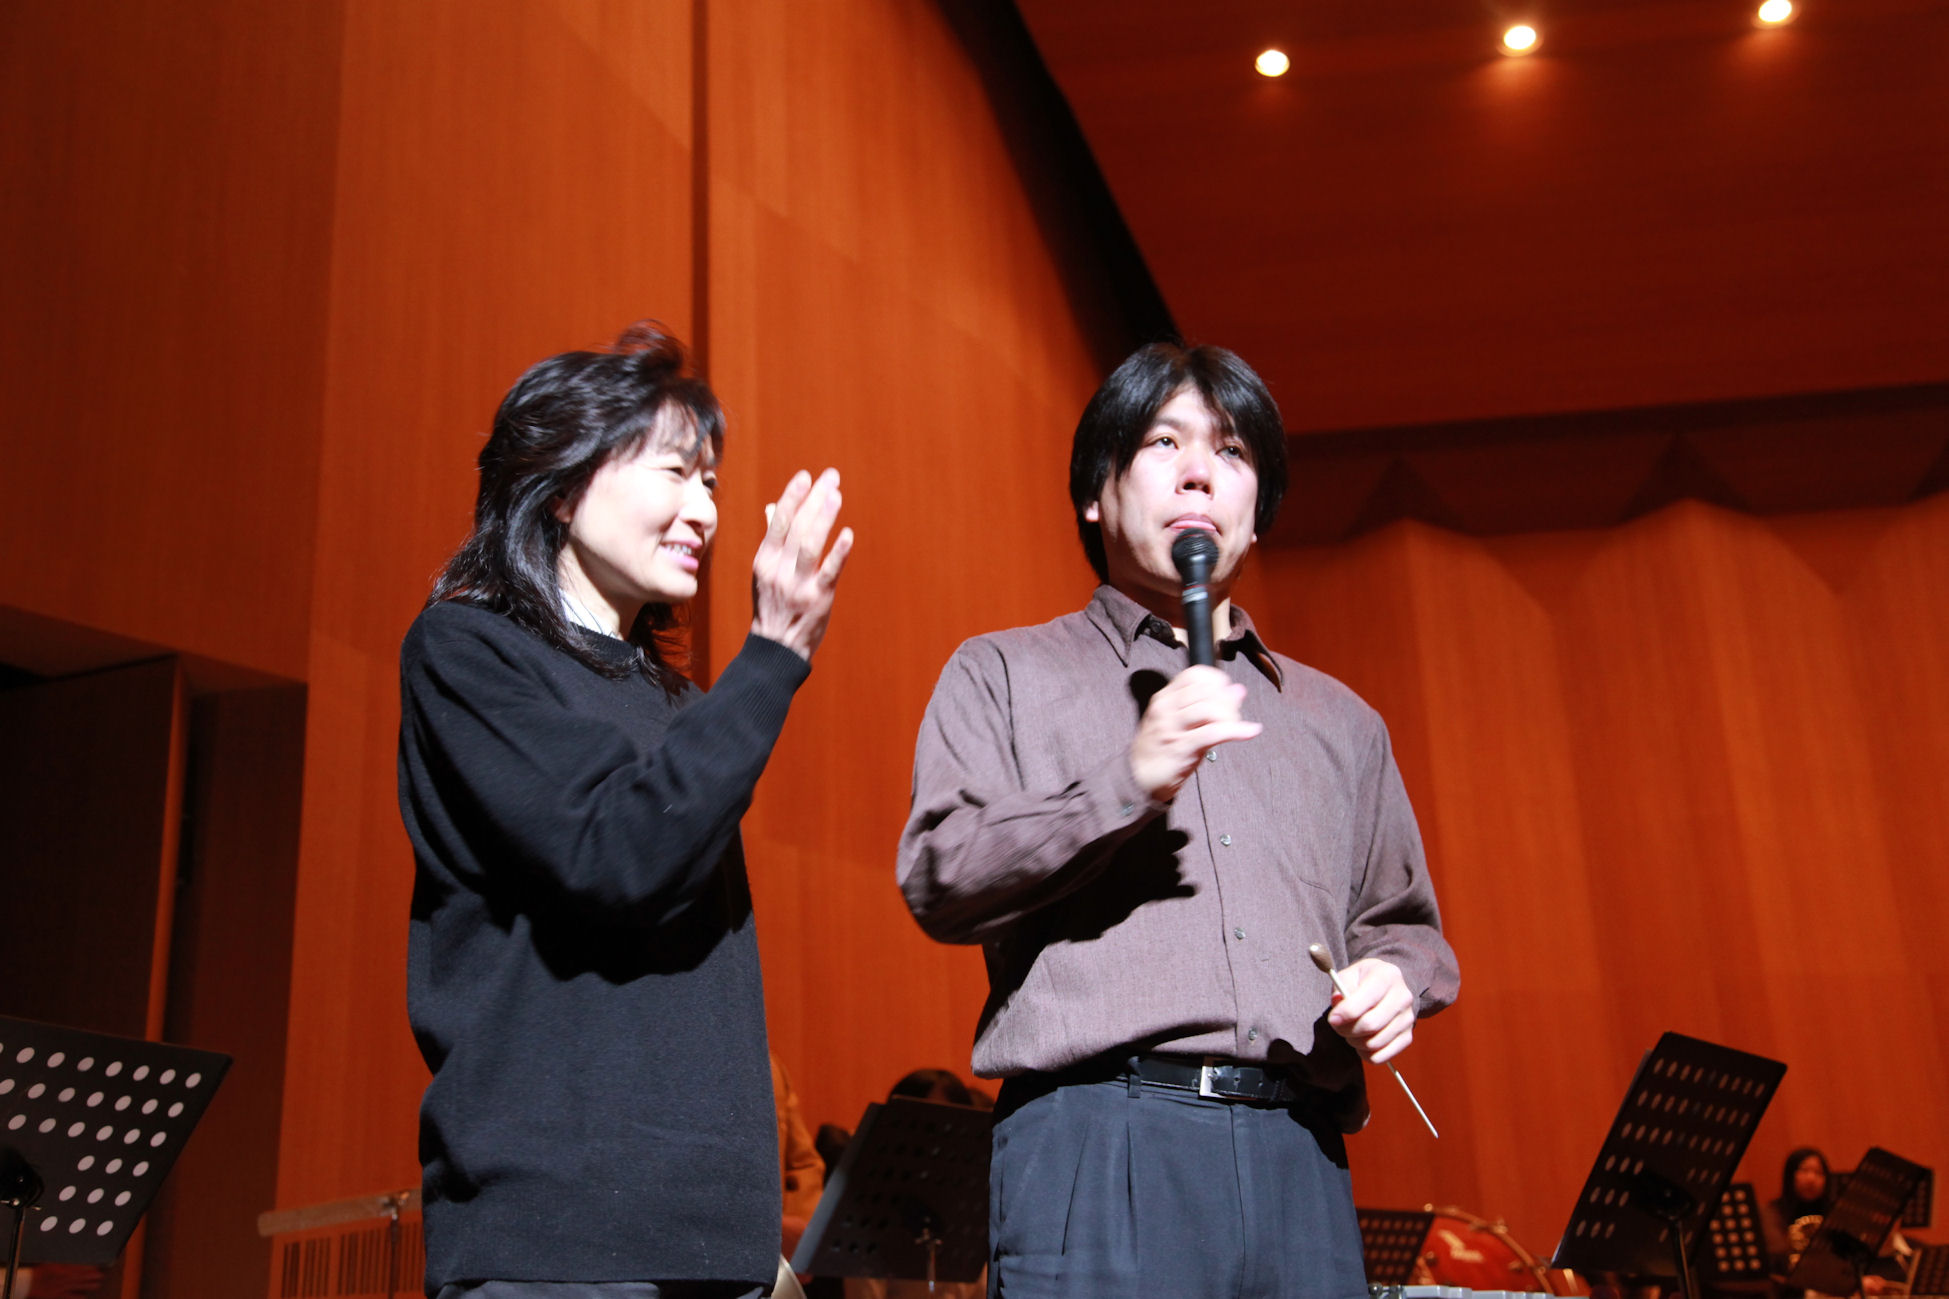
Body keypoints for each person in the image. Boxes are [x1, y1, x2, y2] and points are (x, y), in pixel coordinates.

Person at [897, 341, 1459, 1299]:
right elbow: (941, 875)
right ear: (1096, 491)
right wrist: (1126, 779)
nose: (1201, 471)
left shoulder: (1340, 721)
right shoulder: (1003, 672)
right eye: (1164, 442)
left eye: (1232, 452)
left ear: (1257, 509)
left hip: (1298, 1153)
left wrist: (1392, 981)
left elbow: (1405, 928)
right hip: (1097, 1142)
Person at [399, 322, 852, 1298]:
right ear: (561, 486)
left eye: (712, 483)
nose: (705, 511)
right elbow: (615, 852)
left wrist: (747, 1236)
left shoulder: (684, 707)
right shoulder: (466, 650)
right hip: (555, 1244)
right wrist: (774, 653)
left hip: (714, 1248)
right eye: (675, 472)